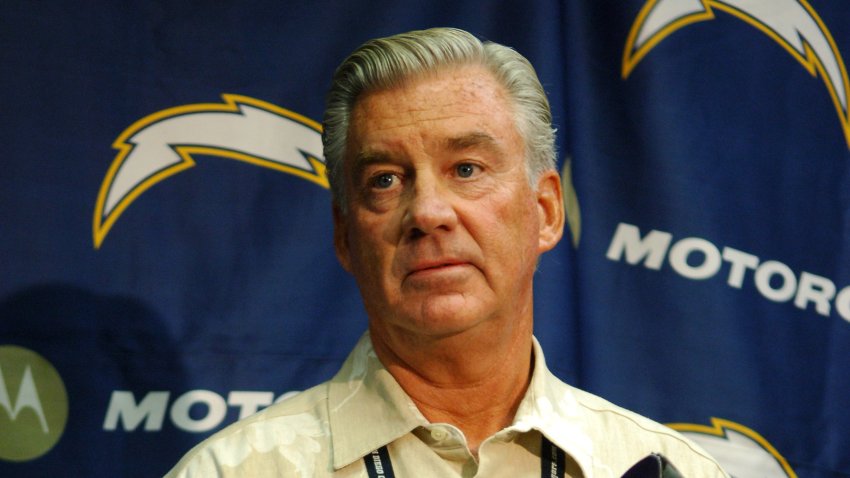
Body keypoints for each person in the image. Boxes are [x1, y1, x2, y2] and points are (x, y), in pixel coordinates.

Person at [165, 27, 727, 477]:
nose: (427, 211)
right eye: (385, 180)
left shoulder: (668, 469)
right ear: (344, 236)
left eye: (466, 169)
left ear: (546, 211)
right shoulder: (236, 471)